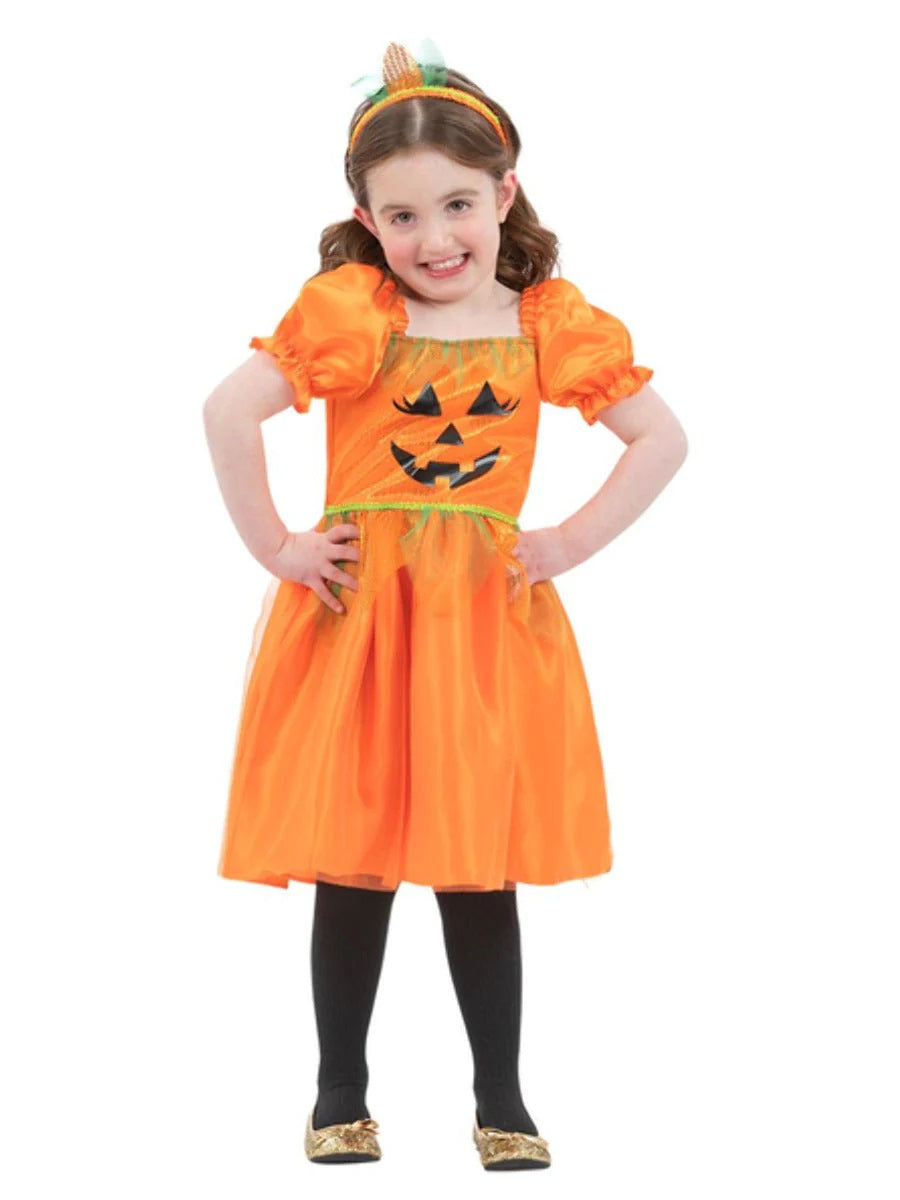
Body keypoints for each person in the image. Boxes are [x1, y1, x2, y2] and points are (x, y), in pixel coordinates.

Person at [202, 40, 688, 1170]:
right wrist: (278, 547)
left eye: (458, 205)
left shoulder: (544, 323)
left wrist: (564, 543)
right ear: (366, 221)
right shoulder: (354, 312)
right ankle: (338, 1094)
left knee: (479, 866)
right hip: (361, 620)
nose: (435, 239)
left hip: (477, 629)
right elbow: (227, 411)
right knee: (354, 859)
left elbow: (661, 440)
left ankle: (502, 1100)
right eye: (403, 216)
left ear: (505, 192)